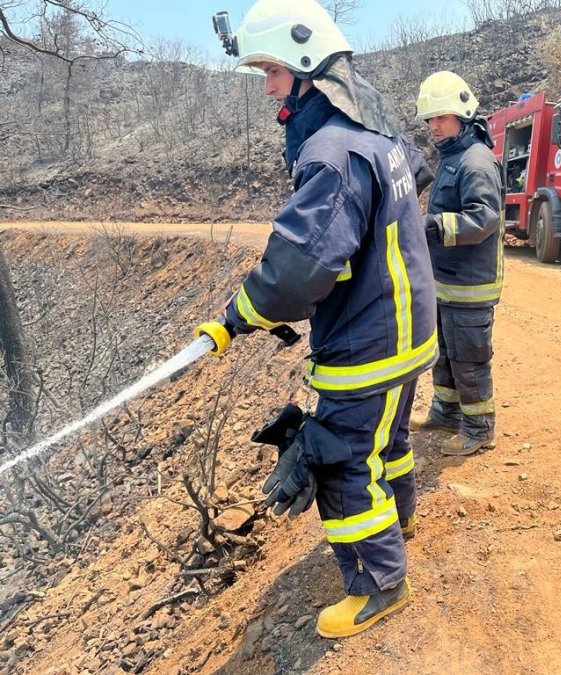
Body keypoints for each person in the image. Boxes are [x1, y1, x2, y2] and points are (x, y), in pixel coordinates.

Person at [195, 0, 436, 639]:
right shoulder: (376, 137)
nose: (268, 85)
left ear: (306, 69)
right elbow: (414, 174)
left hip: (370, 340)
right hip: (408, 330)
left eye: (273, 71)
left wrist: (234, 318)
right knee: (387, 439)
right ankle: (402, 520)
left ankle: (381, 583)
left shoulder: (331, 154)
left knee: (342, 458)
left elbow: (297, 271)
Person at [411, 71, 504, 457]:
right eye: (430, 119)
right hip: (446, 282)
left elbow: (485, 218)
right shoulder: (452, 157)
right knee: (445, 353)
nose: (433, 126)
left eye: (441, 118)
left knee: (469, 358)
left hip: (470, 284)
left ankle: (479, 427)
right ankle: (446, 412)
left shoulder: (476, 162)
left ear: (462, 118)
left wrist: (432, 225)